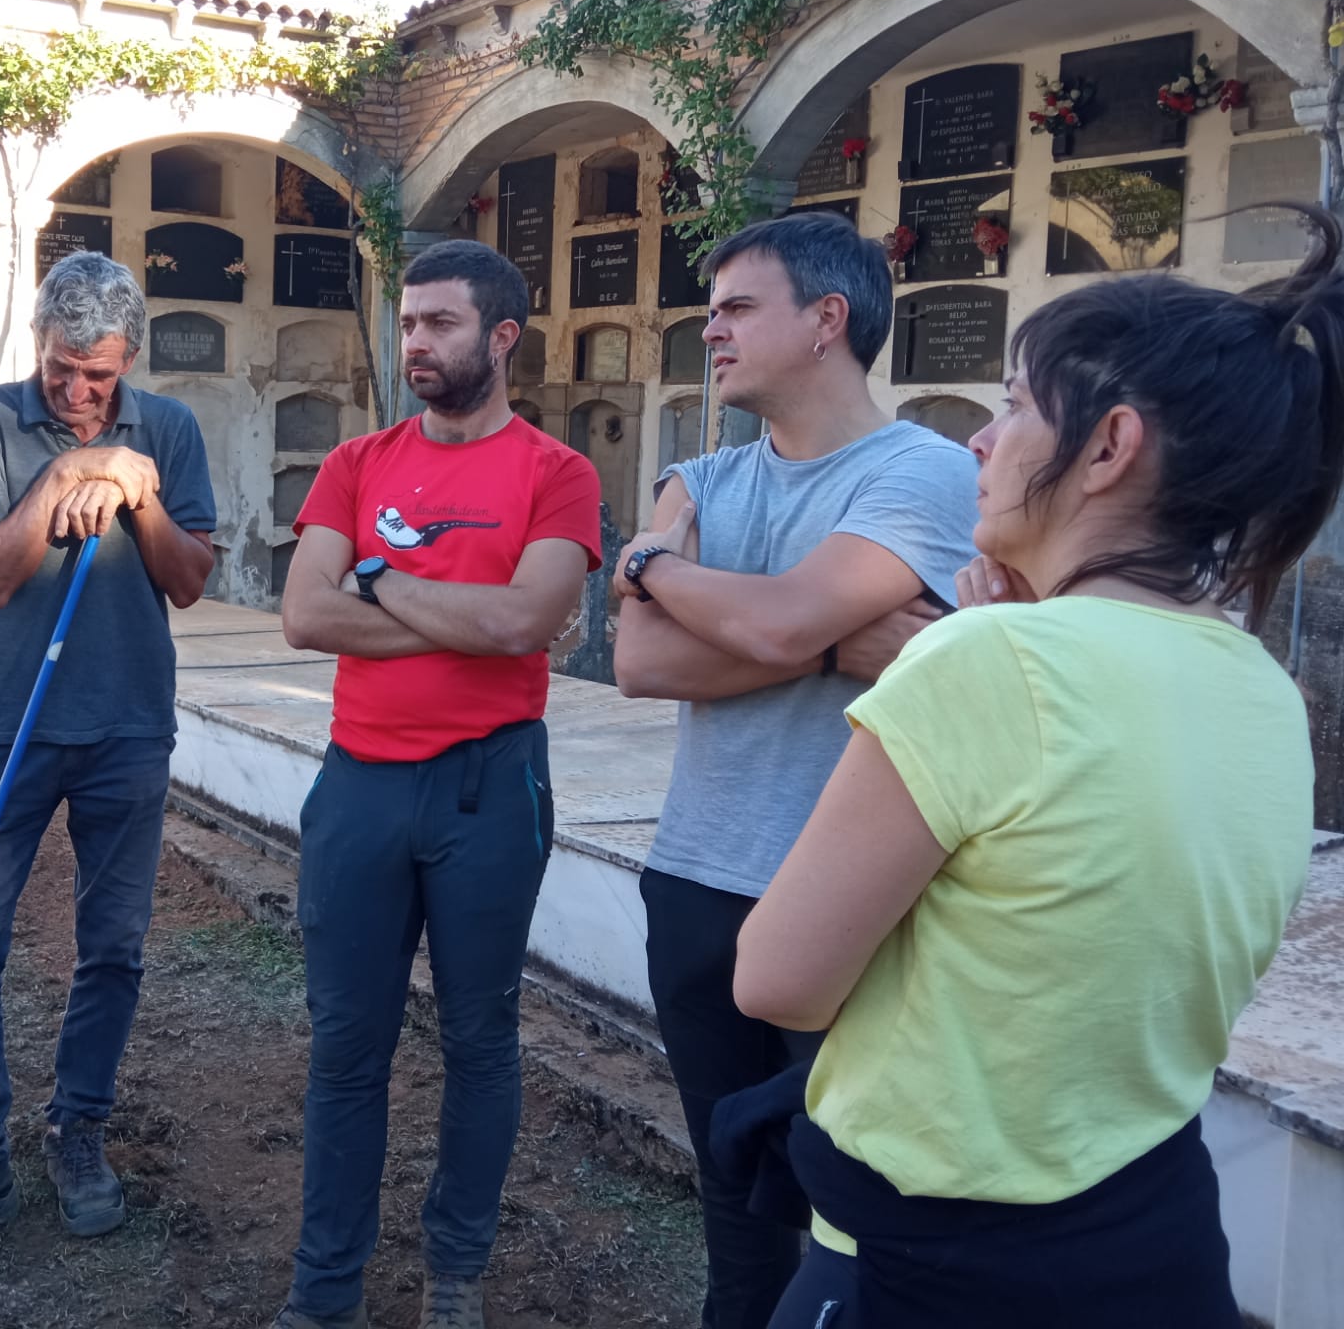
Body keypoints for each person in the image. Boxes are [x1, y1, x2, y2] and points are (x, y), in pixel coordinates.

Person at [732, 213, 1341, 1328]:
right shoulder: (1262, 688)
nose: (979, 439)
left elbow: (775, 980)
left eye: (1013, 404)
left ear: (1107, 448)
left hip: (934, 1260)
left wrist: (986, 646)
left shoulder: (987, 662)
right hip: (1149, 1234)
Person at [610, 212, 978, 1329]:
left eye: (736, 307)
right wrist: (827, 648)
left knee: (852, 1206)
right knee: (733, 1205)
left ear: (826, 319)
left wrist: (655, 566)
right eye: (709, 309)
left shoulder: (922, 471)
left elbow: (773, 623)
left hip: (845, 901)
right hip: (693, 880)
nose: (710, 330)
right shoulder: (701, 477)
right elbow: (639, 663)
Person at [271, 239, 602, 1329]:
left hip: (488, 791)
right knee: (345, 1046)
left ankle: (455, 1272)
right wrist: (467, 617)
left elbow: (529, 620)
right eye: (408, 323)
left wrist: (377, 579)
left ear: (501, 337)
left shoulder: (557, 474)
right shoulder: (355, 463)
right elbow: (303, 615)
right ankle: (325, 1290)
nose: (414, 341)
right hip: (360, 787)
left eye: (440, 324)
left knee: (480, 1038)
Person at [0, 251, 216, 1251]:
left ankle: (79, 1127)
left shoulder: (169, 428)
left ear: (129, 363)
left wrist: (139, 495)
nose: (78, 392)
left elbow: (189, 580)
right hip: (6, 728)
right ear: (37, 343)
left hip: (126, 727)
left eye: (99, 376)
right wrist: (69, 474)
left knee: (112, 947)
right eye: (61, 369)